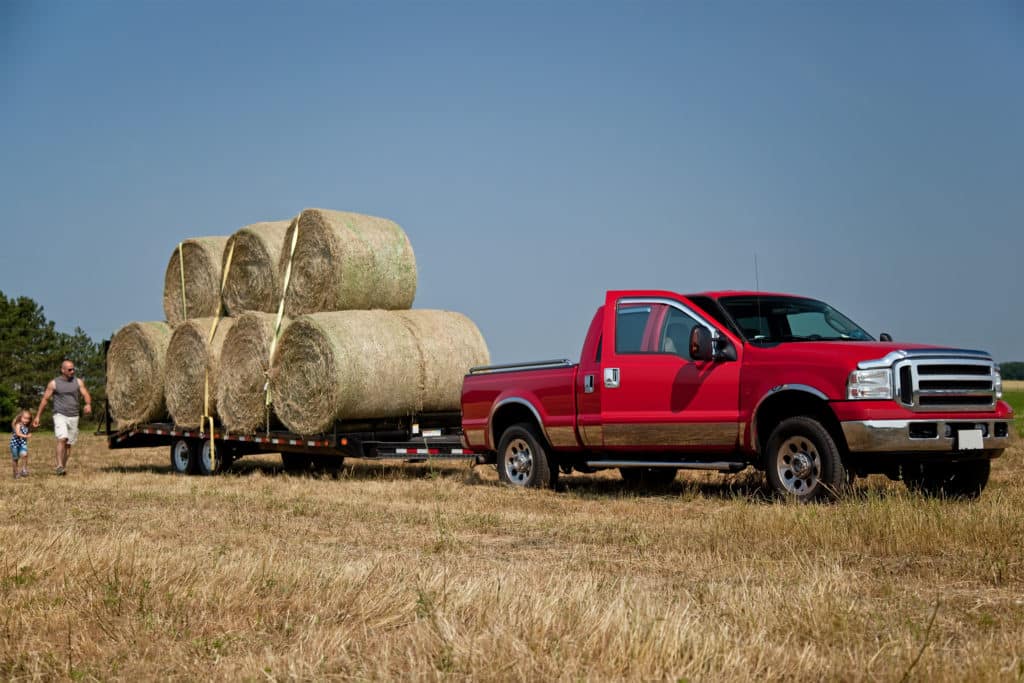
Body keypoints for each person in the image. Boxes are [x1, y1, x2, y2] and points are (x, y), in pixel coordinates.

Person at [34, 359, 92, 476]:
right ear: (63, 370)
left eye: (73, 369)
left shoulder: (78, 382)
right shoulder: (54, 383)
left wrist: (88, 404)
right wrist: (37, 416)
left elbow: (85, 394)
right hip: (59, 414)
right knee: (62, 438)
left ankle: (63, 467)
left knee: (69, 444)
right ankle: (59, 465)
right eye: (70, 369)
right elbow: (45, 400)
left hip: (74, 416)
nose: (72, 371)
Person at [10, 409, 32, 479]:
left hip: (22, 444)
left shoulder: (27, 426)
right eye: (24, 418)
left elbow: (28, 431)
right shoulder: (18, 424)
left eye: (28, 419)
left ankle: (24, 469)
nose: (26, 420)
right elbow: (18, 433)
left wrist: (30, 432)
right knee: (15, 459)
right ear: (20, 418)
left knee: (25, 455)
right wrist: (26, 436)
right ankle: (15, 473)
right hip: (15, 444)